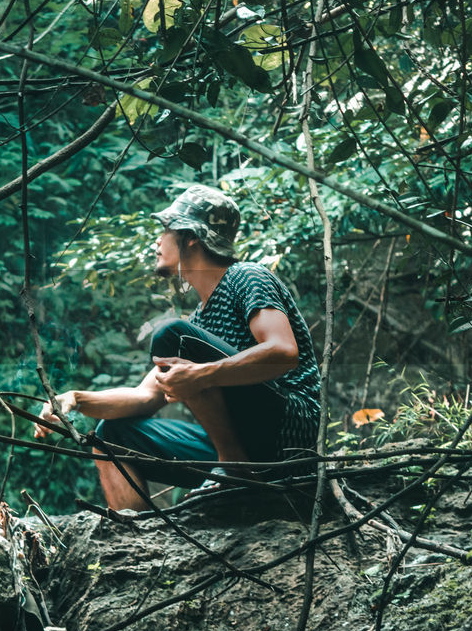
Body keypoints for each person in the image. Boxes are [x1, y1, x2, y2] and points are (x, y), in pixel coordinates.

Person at [34, 184, 320, 511]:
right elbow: (145, 397)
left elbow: (284, 352)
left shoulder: (247, 277)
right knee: (111, 434)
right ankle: (137, 539)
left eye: (165, 230)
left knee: (171, 335)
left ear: (191, 236)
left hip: (287, 437)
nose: (157, 241)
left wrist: (203, 375)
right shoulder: (197, 323)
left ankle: (235, 469)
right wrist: (73, 400)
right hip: (238, 445)